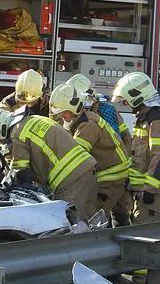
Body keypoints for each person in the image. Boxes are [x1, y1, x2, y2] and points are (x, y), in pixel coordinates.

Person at [0, 107, 98, 220]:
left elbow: (21, 171)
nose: (2, 143)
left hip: (70, 180)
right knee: (89, 220)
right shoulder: (34, 119)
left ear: (0, 129)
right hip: (87, 168)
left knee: (65, 221)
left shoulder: (17, 133)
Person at [49, 83, 131, 222]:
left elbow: (76, 158)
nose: (62, 117)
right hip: (109, 174)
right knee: (115, 215)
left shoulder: (88, 125)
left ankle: (95, 242)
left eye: (64, 112)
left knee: (93, 214)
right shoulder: (80, 119)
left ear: (73, 108)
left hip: (111, 177)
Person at [111, 72, 160, 224]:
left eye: (126, 100)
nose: (126, 104)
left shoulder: (156, 119)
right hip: (145, 191)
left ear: (137, 96)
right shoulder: (146, 118)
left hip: (155, 193)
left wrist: (150, 189)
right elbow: (141, 155)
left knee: (143, 240)